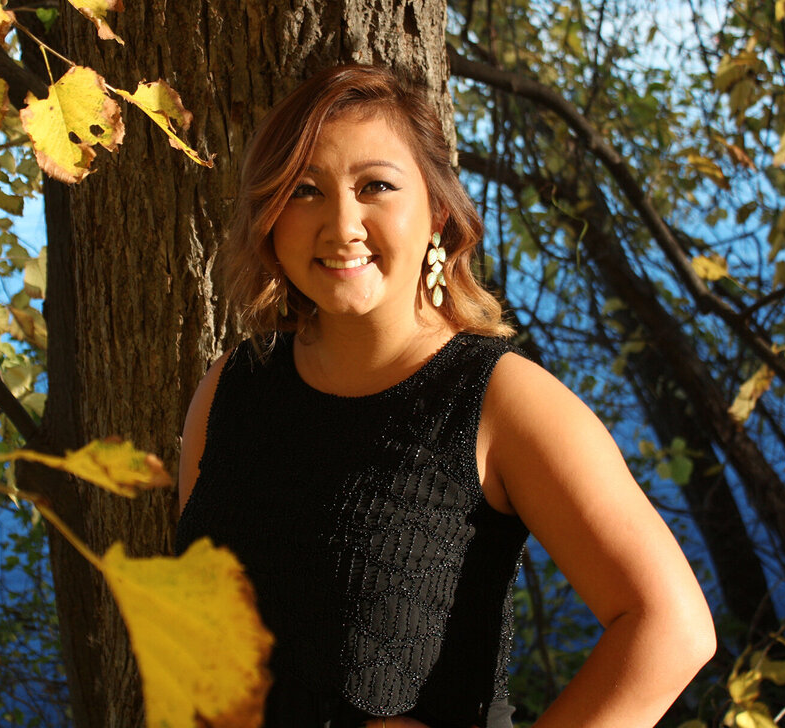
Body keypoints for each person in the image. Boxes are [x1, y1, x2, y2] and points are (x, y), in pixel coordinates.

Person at [175, 65, 714, 728]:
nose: (342, 224)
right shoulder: (231, 387)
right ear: (271, 216)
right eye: (305, 190)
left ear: (436, 209)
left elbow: (672, 628)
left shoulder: (500, 401)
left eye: (375, 186)